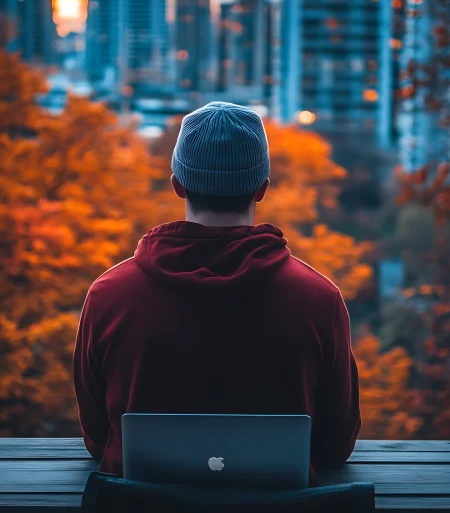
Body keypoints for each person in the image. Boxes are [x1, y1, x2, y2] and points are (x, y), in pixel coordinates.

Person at [73, 101, 361, 481]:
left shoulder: (109, 296)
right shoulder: (319, 301)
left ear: (177, 185)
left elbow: (98, 438)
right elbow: (336, 445)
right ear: (262, 189)